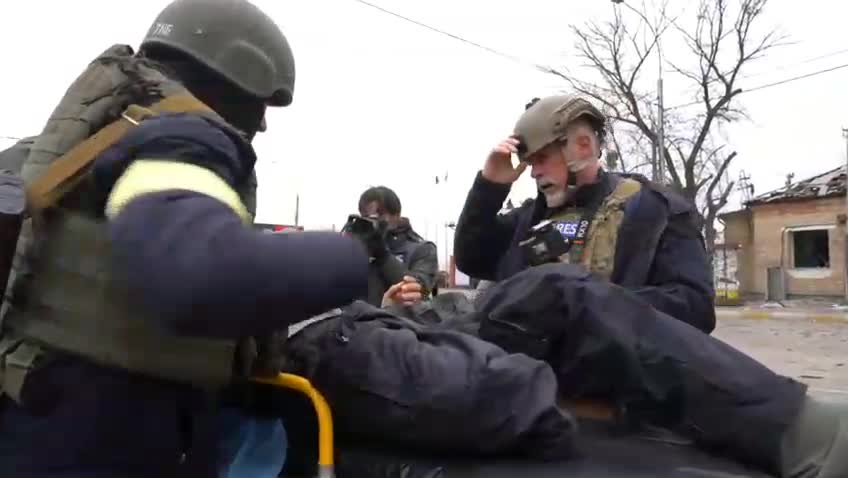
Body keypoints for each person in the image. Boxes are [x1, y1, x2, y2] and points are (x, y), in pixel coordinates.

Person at [0, 1, 368, 477]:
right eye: (262, 105)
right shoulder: (185, 137)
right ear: (236, 76)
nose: (261, 125)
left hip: (30, 408)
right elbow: (200, 275)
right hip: (104, 437)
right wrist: (349, 255)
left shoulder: (69, 144)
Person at [453, 95, 716, 332]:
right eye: (531, 163)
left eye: (542, 158)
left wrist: (583, 302)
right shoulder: (529, 217)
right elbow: (472, 259)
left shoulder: (654, 211)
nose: (534, 172)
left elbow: (695, 307)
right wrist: (490, 186)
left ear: (583, 146)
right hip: (530, 377)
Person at [343, 186, 439, 307]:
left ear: (396, 215)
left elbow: (423, 293)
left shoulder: (422, 249)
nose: (372, 221)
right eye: (366, 216)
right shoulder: (359, 248)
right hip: (359, 322)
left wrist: (383, 256)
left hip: (402, 324)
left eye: (378, 215)